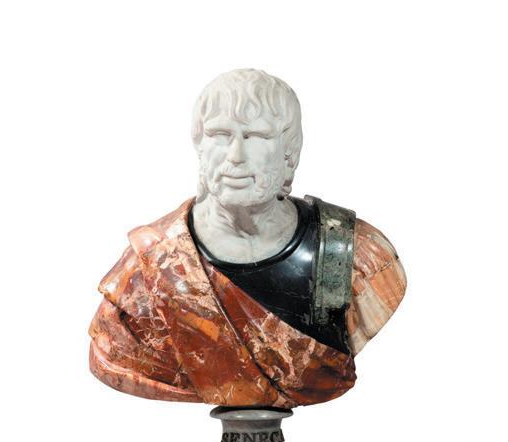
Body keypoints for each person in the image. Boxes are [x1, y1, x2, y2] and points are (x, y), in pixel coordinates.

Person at [89, 69, 407, 408]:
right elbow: (113, 354)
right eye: (220, 135)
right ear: (199, 146)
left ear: (290, 151)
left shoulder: (354, 255)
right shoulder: (150, 268)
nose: (235, 155)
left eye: (256, 136)